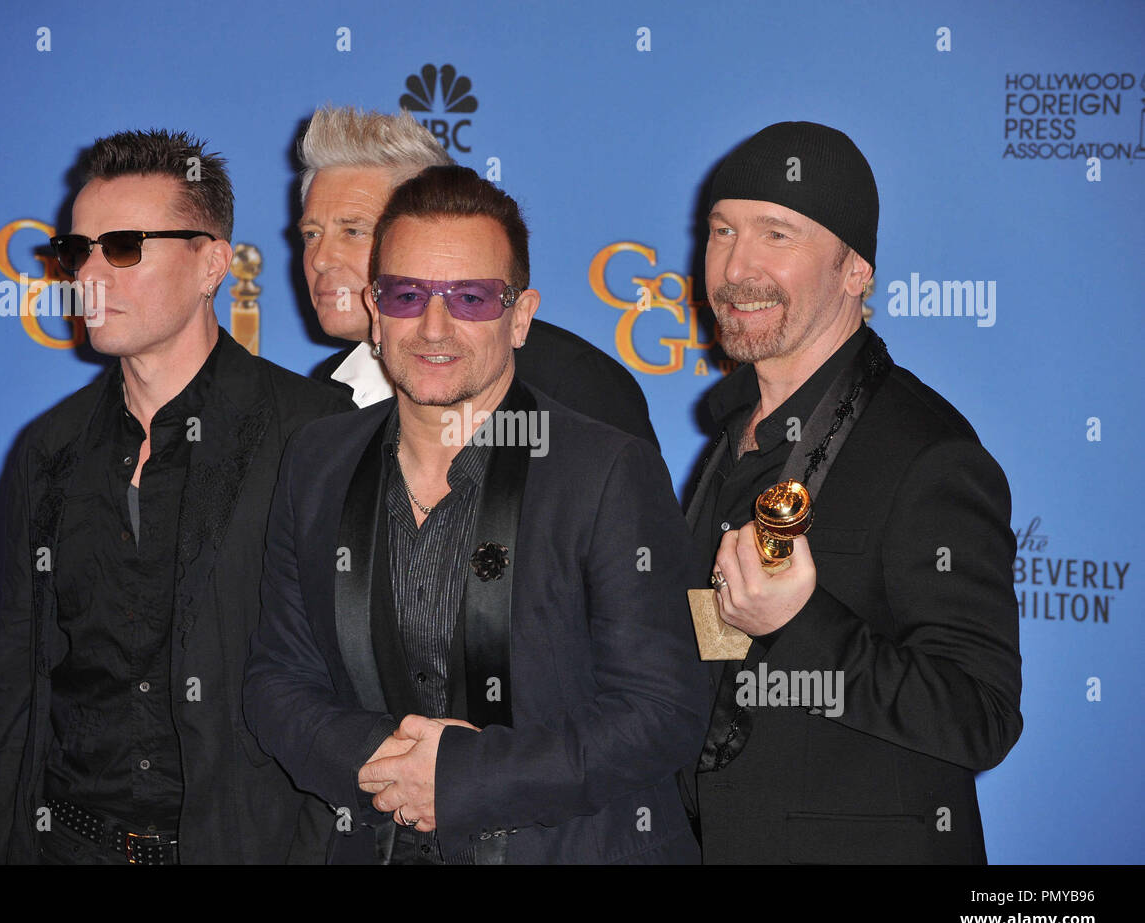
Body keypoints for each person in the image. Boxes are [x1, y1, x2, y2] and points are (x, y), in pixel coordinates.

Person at [245, 165, 706, 864]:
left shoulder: (606, 472)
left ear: (520, 317)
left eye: (470, 297)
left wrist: (460, 777)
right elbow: (277, 682)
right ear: (375, 307)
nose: (435, 326)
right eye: (406, 294)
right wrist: (381, 764)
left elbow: (662, 713)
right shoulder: (316, 462)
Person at [0, 129, 351, 864]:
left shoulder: (317, 435)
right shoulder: (48, 451)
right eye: (78, 251)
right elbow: (13, 690)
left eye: (124, 248)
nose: (89, 277)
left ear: (211, 263)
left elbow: (352, 693)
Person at [684, 121, 1022, 864]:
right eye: (721, 231)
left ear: (855, 270)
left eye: (778, 235)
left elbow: (981, 718)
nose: (736, 267)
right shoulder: (730, 439)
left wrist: (801, 622)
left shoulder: (929, 452)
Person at [297, 105, 660, 447]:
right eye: (311, 234)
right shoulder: (322, 396)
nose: (321, 260)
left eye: (353, 231)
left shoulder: (573, 386)